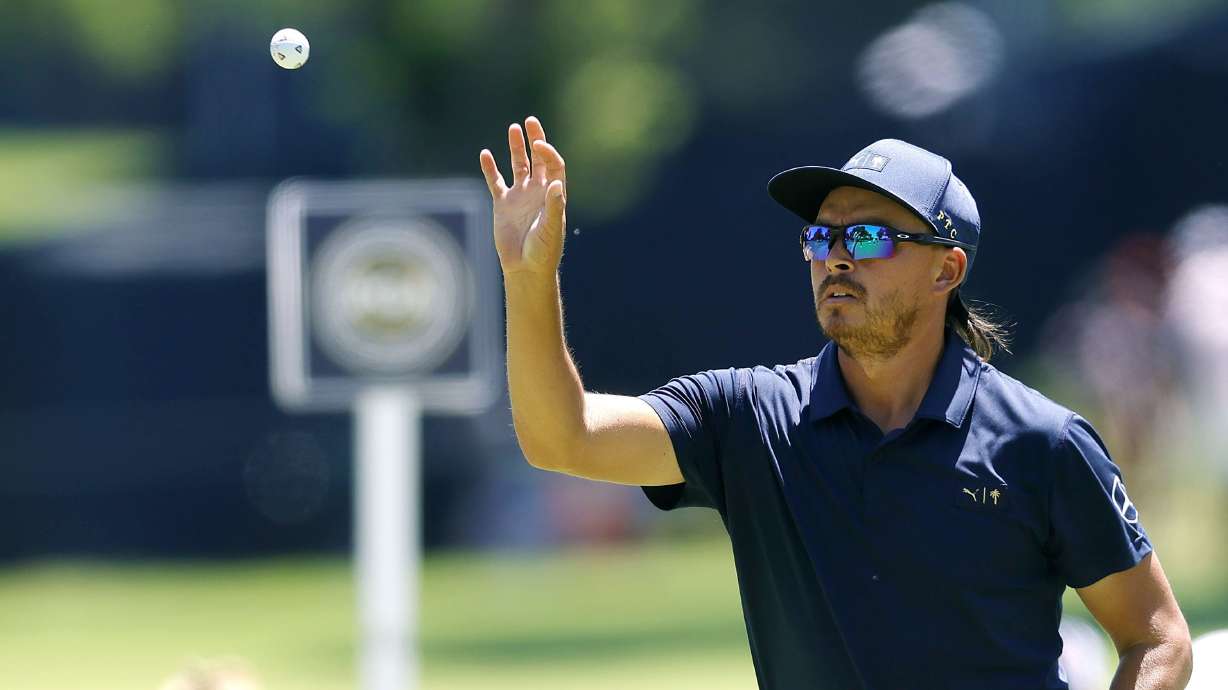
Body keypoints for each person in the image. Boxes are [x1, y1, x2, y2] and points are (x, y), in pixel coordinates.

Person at [478, 117, 1193, 689]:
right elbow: (561, 438)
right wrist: (528, 278)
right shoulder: (746, 418)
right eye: (821, 236)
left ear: (948, 268)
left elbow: (1157, 638)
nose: (837, 256)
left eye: (871, 236)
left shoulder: (1042, 443)